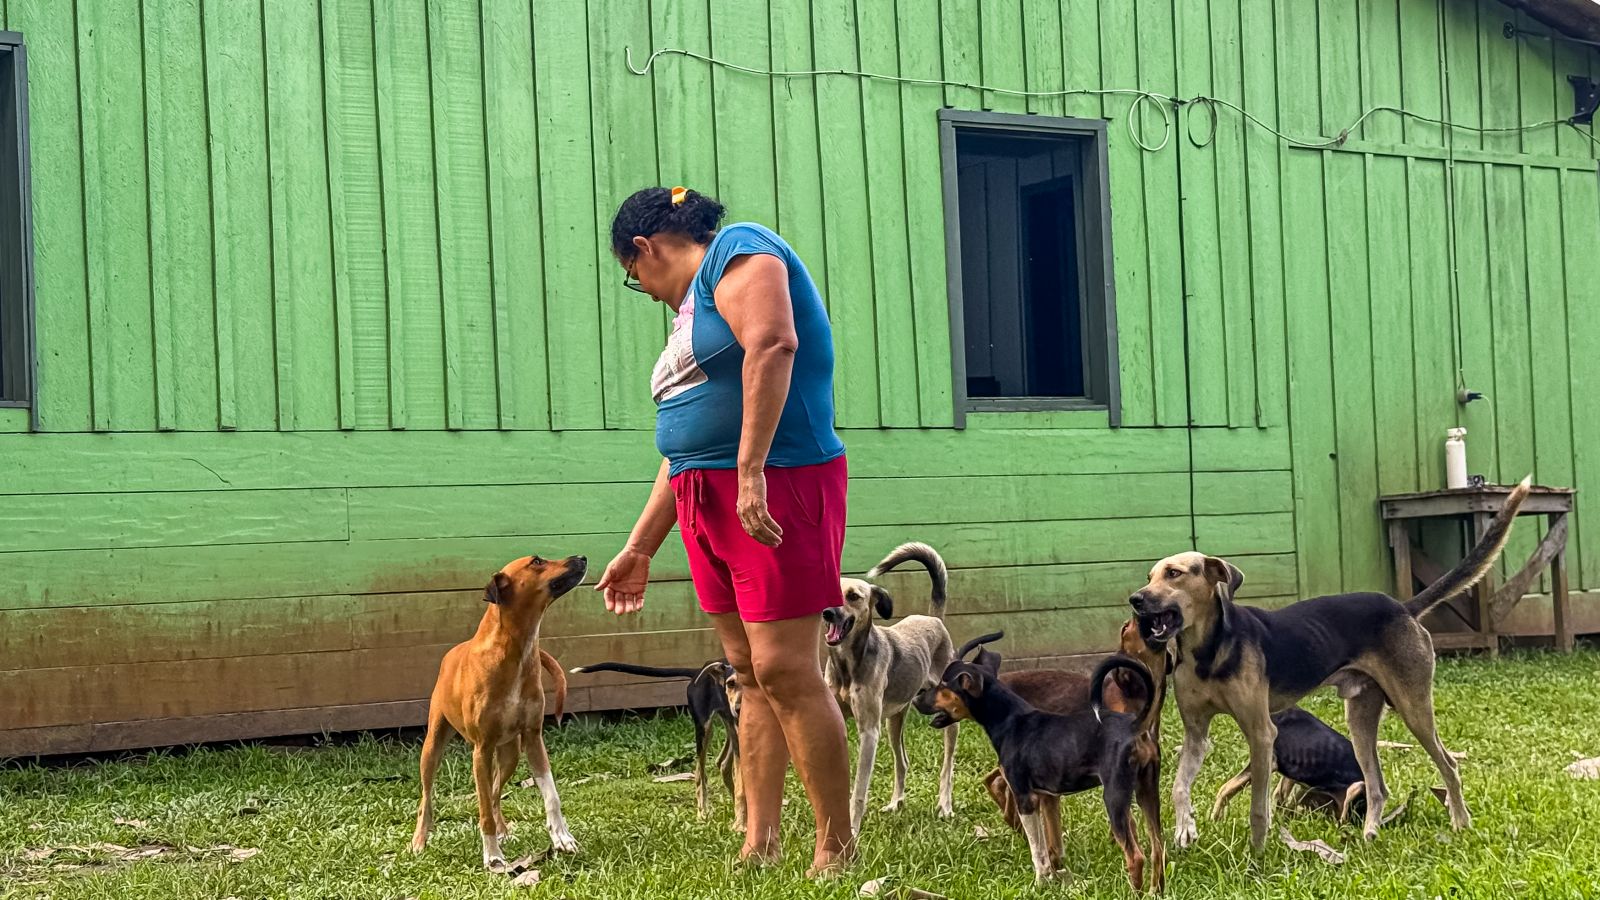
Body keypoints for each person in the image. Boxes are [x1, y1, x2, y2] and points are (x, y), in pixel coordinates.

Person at [594, 186, 853, 876]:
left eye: (633, 277)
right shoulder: (687, 317)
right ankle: (759, 840)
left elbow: (774, 343)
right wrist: (643, 544)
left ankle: (835, 842)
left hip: (778, 481)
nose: (643, 291)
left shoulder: (740, 249)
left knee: (786, 667)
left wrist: (749, 472)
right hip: (703, 495)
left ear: (644, 250)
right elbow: (682, 443)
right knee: (747, 671)